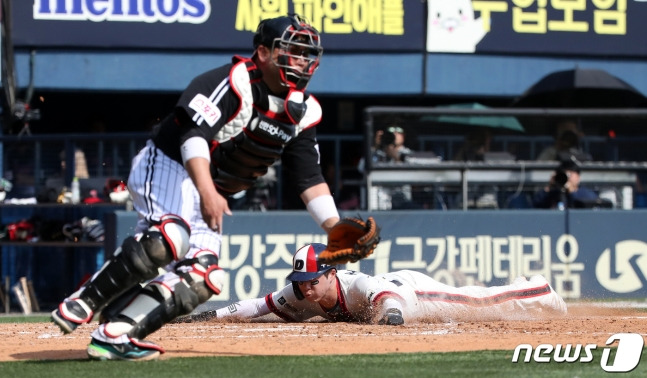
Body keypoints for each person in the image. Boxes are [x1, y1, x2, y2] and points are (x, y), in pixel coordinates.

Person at [51, 14, 342, 361]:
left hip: (212, 188)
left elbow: (308, 177)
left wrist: (336, 230)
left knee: (204, 277)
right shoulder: (235, 81)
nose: (301, 61)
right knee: (170, 238)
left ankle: (116, 333)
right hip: (169, 164)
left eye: (306, 53)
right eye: (292, 51)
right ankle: (85, 299)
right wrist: (208, 193)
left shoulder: (304, 111)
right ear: (263, 52)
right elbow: (193, 136)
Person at [201, 243, 567, 325]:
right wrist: (210, 316)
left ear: (330, 273)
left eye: (311, 280)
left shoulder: (354, 282)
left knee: (478, 305)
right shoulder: (301, 293)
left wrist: (392, 316)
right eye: (300, 282)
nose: (305, 289)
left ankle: (538, 290)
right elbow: (258, 305)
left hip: (410, 293)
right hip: (392, 297)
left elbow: (386, 296)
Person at [532, 159, 599, 209]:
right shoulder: (553, 193)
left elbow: (590, 205)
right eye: (564, 175)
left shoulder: (584, 193)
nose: (567, 178)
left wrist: (572, 192)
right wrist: (550, 186)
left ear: (578, 177)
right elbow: (536, 204)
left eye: (570, 175)